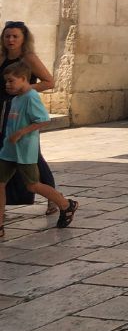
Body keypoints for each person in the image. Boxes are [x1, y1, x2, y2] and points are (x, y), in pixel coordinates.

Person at [0, 61, 77, 237]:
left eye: (11, 81)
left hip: (24, 151)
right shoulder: (16, 98)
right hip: (8, 149)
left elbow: (43, 119)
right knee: (0, 184)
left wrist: (21, 132)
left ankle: (65, 204)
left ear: (23, 79)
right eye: (6, 81)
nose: (7, 84)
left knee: (33, 185)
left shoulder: (31, 96)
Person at [0, 21, 57, 214]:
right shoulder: (1, 56)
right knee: (5, 153)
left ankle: (53, 198)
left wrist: (24, 89)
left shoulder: (28, 58)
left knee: (32, 155)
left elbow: (49, 82)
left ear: (23, 38)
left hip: (21, 110)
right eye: (7, 36)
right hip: (3, 109)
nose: (10, 40)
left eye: (15, 36)